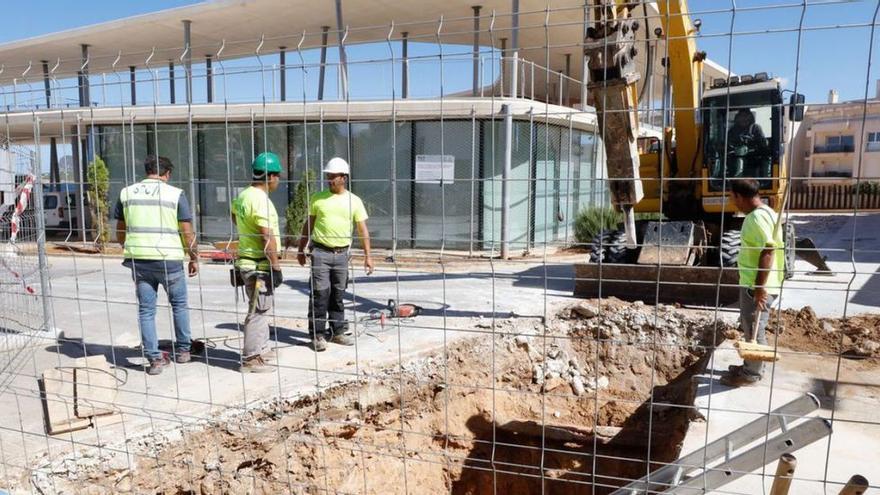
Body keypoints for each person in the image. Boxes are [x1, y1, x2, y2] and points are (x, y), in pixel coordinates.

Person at [115, 156, 198, 376]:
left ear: (147, 171)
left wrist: (128, 246)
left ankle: (154, 359)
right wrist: (194, 257)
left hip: (139, 259)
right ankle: (184, 351)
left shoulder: (127, 193)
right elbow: (187, 232)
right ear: (167, 173)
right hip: (169, 260)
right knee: (179, 305)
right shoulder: (175, 194)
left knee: (146, 310)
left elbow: (120, 229)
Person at [297, 157, 374, 352]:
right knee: (320, 294)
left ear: (344, 178)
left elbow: (362, 230)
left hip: (341, 254)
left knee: (338, 294)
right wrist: (300, 248)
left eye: (333, 176)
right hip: (320, 252)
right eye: (328, 176)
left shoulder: (354, 201)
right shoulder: (318, 198)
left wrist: (368, 256)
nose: (329, 180)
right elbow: (308, 225)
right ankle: (317, 334)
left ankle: (337, 331)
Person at [722, 178, 785, 387]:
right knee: (753, 326)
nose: (732, 201)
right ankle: (751, 366)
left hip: (757, 285)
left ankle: (751, 374)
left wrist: (759, 288)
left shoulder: (755, 218)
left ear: (740, 196)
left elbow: (767, 251)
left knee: (754, 329)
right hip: (764, 282)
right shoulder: (767, 212)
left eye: (732, 197)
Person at [231, 152, 284, 373]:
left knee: (261, 307)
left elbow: (234, 216)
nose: (279, 180)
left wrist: (247, 234)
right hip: (258, 264)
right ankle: (251, 358)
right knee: (258, 310)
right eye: (277, 175)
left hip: (246, 260)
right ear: (270, 176)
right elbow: (266, 236)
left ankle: (262, 349)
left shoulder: (243, 195)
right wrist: (275, 266)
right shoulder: (261, 200)